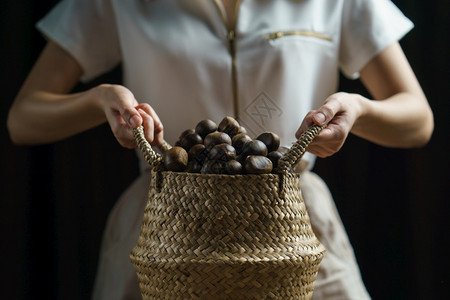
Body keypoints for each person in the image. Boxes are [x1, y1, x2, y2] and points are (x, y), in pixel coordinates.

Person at [7, 0, 433, 299]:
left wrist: (356, 107)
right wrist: (100, 100)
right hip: (163, 225)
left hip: (295, 224)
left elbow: (418, 120)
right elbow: (23, 119)